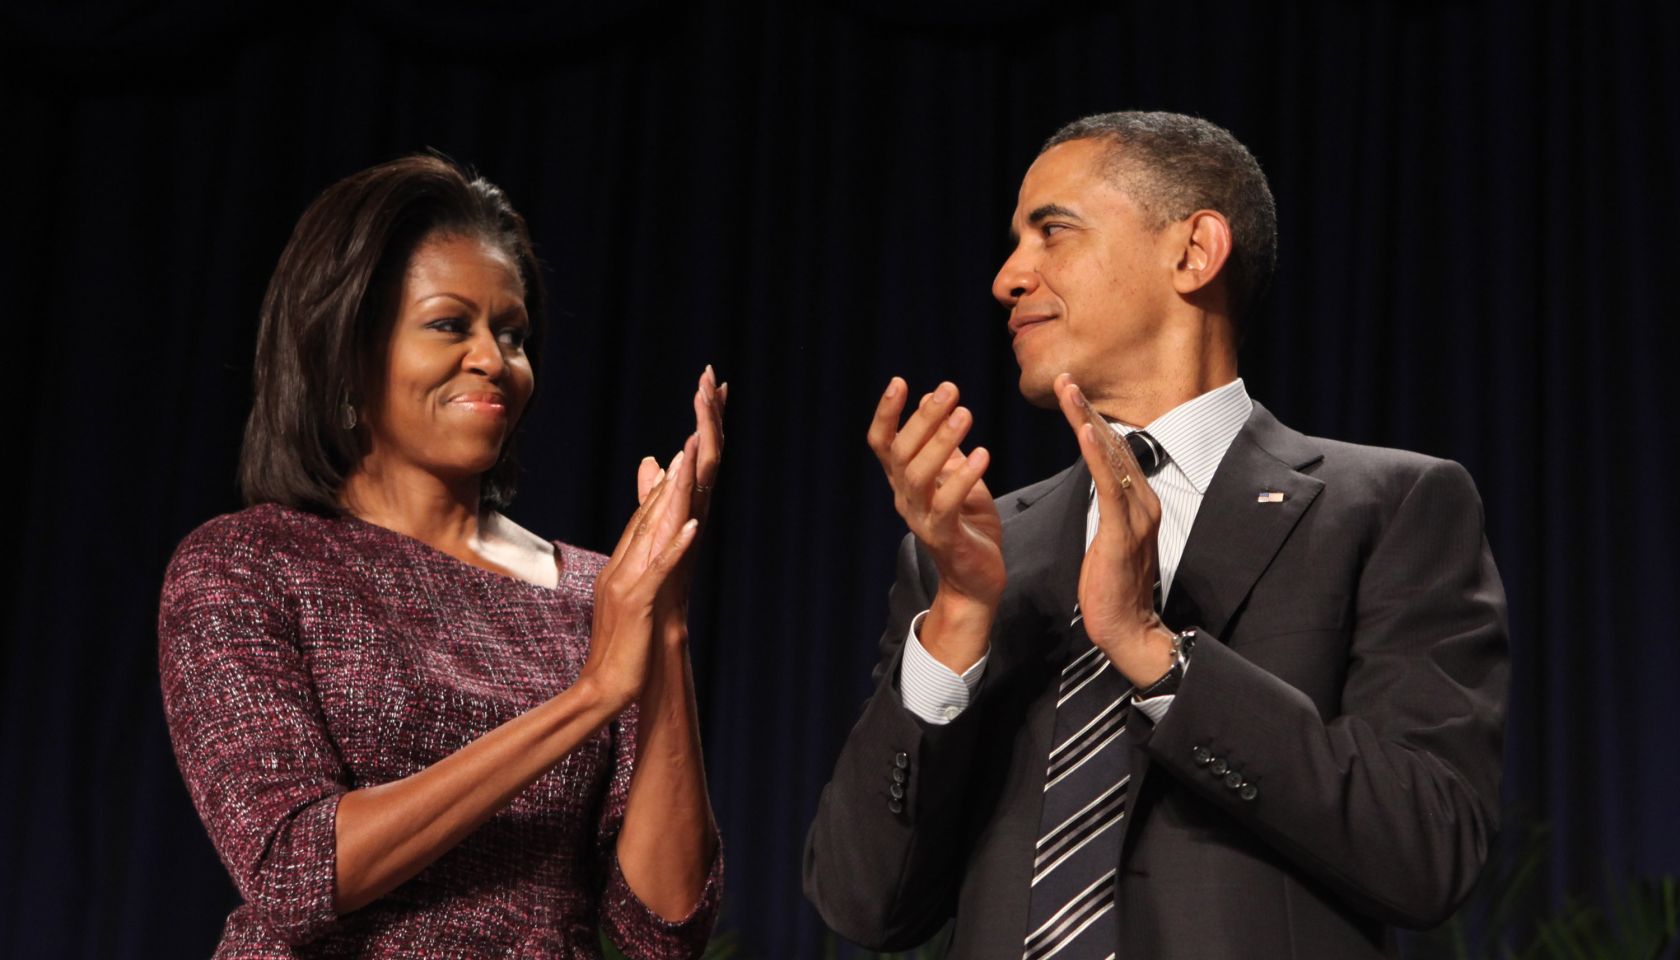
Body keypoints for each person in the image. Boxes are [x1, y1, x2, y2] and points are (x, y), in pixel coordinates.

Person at [805, 111, 1508, 958]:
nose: (1006, 277)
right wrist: (956, 622)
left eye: (1050, 232)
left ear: (1194, 252)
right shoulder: (976, 556)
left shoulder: (1389, 506)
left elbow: (1429, 848)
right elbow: (859, 902)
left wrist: (1151, 651)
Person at [158, 155, 726, 958]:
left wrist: (662, 625)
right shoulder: (248, 565)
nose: (494, 360)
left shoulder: (600, 592)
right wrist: (590, 695)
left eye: (512, 333)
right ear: (349, 349)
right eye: (449, 325)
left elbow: (663, 931)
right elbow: (294, 872)